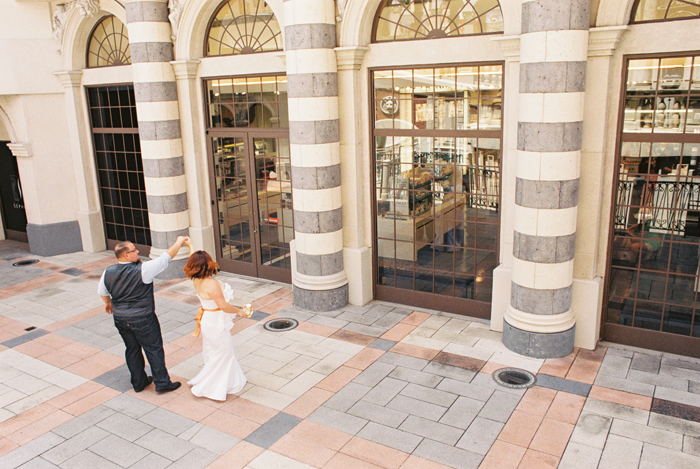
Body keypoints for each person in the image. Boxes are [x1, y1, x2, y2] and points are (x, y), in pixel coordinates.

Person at [98, 236, 190, 393]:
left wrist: (108, 303)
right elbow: (166, 258)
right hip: (143, 318)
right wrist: (179, 242)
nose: (137, 251)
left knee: (132, 349)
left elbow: (102, 292)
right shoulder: (143, 270)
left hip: (121, 318)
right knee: (154, 349)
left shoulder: (108, 271)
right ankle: (162, 383)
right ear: (126, 255)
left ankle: (139, 382)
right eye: (134, 250)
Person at [183, 248, 248, 401]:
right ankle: (215, 385)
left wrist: (190, 245)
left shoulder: (196, 280)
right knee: (225, 352)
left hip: (208, 319)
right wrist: (239, 311)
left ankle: (227, 381)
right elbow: (223, 305)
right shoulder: (210, 283)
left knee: (215, 352)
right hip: (215, 322)